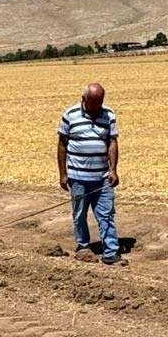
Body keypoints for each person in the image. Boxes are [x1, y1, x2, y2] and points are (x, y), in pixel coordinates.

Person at [56, 82, 120, 263]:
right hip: (78, 178)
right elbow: (62, 145)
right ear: (83, 99)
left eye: (100, 102)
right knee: (79, 214)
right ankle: (83, 246)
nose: (97, 107)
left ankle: (111, 252)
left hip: (102, 178)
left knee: (106, 214)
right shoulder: (70, 115)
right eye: (93, 103)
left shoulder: (109, 115)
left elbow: (112, 143)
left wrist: (113, 170)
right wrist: (63, 173)